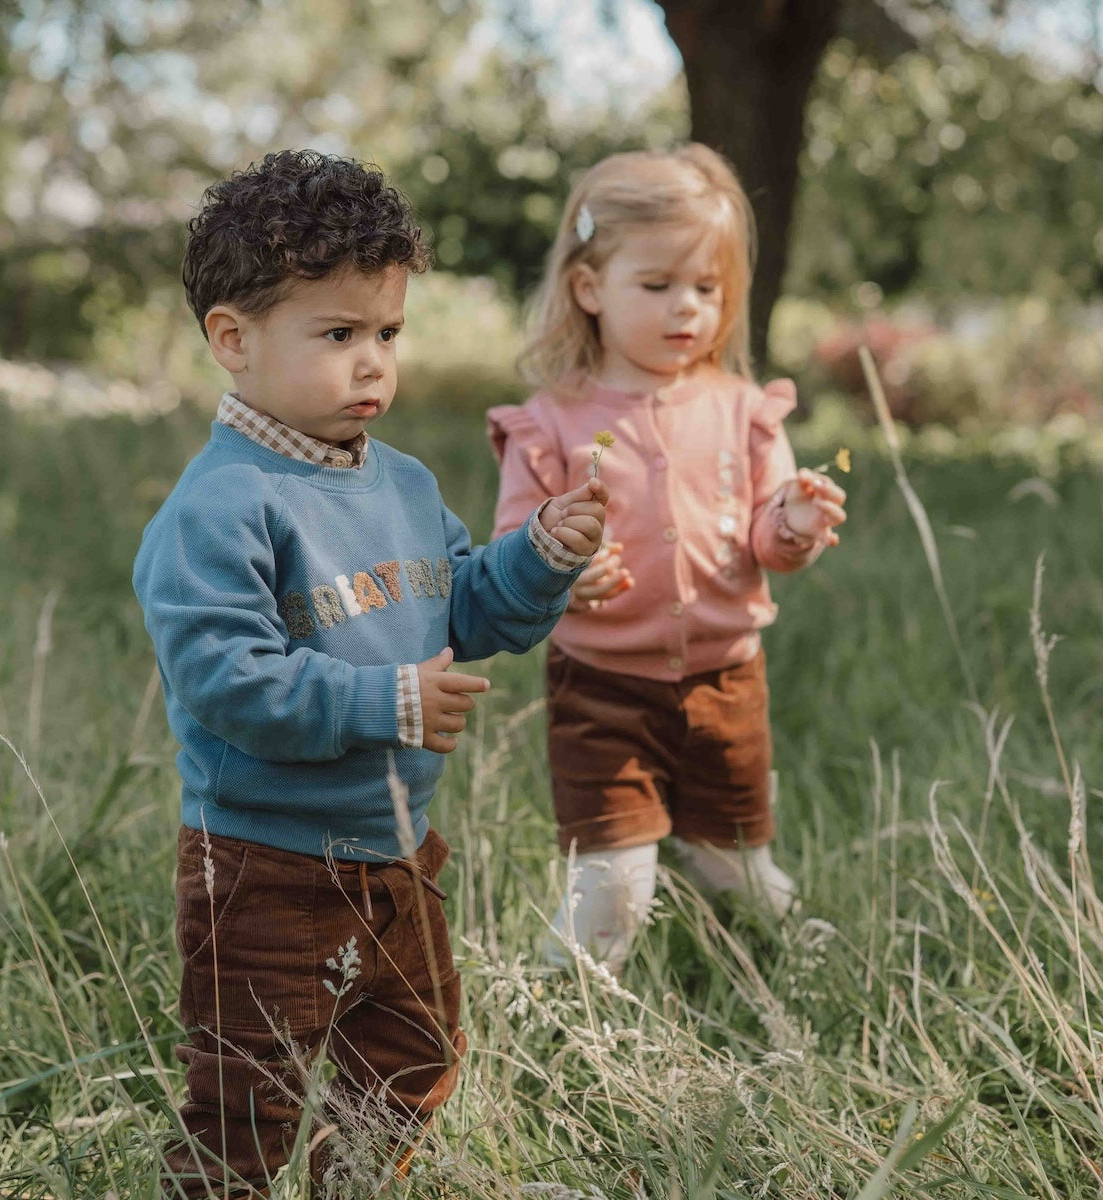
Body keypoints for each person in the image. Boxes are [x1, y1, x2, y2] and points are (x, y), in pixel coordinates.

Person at [133, 149, 608, 1198]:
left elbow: (467, 610)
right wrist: (386, 700)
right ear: (233, 339)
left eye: (387, 332)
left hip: (395, 857)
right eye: (338, 334)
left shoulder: (403, 482)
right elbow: (226, 682)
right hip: (261, 867)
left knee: (416, 1060)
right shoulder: (223, 508)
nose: (373, 364)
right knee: (245, 1107)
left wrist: (542, 555)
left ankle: (349, 1186)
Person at [488, 144, 847, 971]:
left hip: (726, 681)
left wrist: (792, 520)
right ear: (589, 288)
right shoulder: (550, 426)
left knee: (735, 866)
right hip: (602, 689)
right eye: (657, 286)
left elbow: (770, 540)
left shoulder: (745, 412)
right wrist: (562, 573)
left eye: (707, 289)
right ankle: (554, 1009)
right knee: (615, 886)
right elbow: (513, 548)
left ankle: (808, 963)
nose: (687, 308)